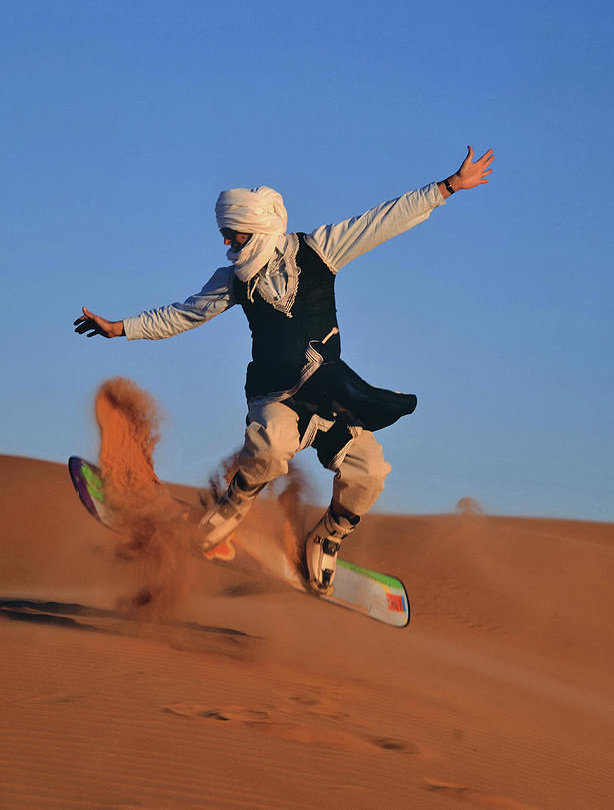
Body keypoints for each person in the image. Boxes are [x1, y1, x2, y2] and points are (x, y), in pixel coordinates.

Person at [74, 145, 494, 592]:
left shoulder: (320, 250)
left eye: (232, 234)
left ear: (255, 229)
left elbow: (382, 221)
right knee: (273, 444)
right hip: (275, 395)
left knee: (369, 470)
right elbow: (185, 313)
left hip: (330, 394)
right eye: (225, 234)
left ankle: (327, 538)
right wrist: (121, 328)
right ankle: (230, 510)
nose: (226, 242)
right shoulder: (233, 280)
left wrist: (448, 187)